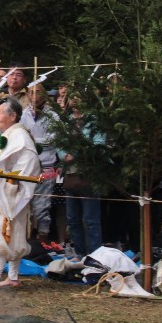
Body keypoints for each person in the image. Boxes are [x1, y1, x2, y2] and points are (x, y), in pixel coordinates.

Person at [0, 97, 41, 293]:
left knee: (2, 232)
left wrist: (13, 186)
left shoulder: (20, 137)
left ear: (12, 116)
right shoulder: (10, 134)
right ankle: (12, 277)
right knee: (12, 232)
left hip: (9, 193)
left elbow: (29, 165)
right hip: (0, 189)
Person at [58, 99, 105, 256]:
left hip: (88, 174)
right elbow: (58, 142)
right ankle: (79, 253)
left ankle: (95, 255)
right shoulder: (66, 121)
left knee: (91, 219)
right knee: (73, 219)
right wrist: (64, 155)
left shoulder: (94, 120)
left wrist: (76, 154)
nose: (75, 100)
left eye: (79, 96)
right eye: (72, 97)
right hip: (70, 174)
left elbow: (99, 143)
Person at [20, 84, 59, 241]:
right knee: (24, 203)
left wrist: (30, 140)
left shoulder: (53, 116)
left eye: (38, 92)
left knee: (42, 205)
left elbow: (52, 138)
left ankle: (43, 237)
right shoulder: (23, 114)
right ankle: (25, 238)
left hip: (45, 164)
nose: (34, 95)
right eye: (31, 92)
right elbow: (19, 134)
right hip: (27, 164)